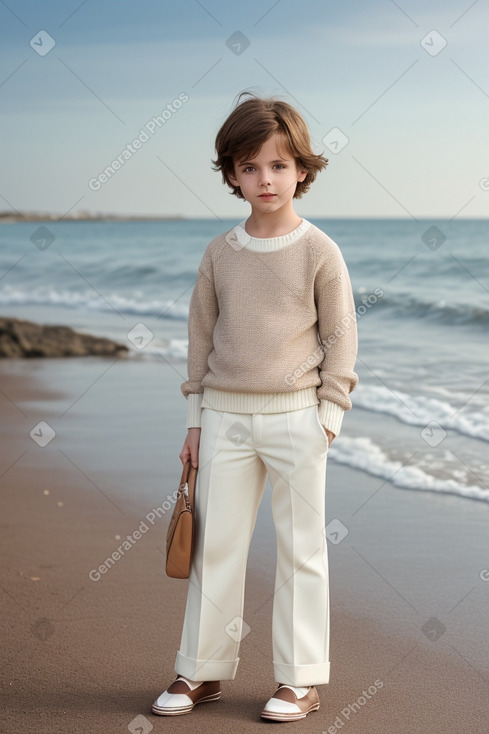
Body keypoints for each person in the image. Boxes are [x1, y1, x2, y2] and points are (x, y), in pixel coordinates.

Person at [152, 91, 359, 722]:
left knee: (302, 549)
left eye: (277, 164)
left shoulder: (320, 250)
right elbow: (200, 339)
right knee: (216, 545)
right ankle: (202, 671)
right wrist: (194, 423)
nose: (264, 179)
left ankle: (300, 680)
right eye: (249, 166)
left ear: (302, 169)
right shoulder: (220, 253)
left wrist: (329, 413)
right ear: (232, 175)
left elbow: (340, 336)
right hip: (222, 418)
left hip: (300, 416)